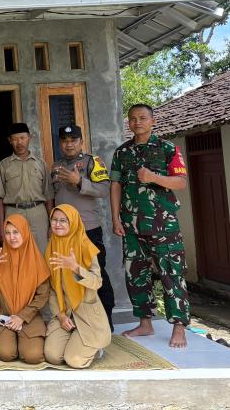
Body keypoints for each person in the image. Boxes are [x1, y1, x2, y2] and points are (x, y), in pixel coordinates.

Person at [110, 103, 190, 348]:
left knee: (171, 273)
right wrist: (115, 218)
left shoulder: (168, 149)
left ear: (153, 121)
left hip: (163, 224)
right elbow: (115, 185)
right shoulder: (122, 152)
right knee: (136, 274)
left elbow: (181, 182)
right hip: (131, 224)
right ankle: (145, 323)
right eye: (133, 118)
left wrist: (154, 177)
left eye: (143, 118)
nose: (137, 122)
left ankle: (179, 326)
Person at [51, 124, 115, 330]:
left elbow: (104, 189)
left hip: (88, 230)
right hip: (63, 233)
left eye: (73, 140)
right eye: (65, 141)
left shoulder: (92, 162)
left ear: (81, 141)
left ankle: (106, 323)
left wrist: (79, 181)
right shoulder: (56, 166)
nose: (69, 144)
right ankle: (78, 322)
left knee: (96, 275)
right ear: (60, 143)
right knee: (69, 276)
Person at [43, 204, 112, 368]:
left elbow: (97, 282)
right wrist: (60, 315)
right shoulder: (51, 247)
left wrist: (76, 268)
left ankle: (95, 348)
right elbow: (51, 289)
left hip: (86, 314)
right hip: (65, 313)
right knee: (52, 356)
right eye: (54, 220)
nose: (57, 224)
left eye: (63, 220)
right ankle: (74, 338)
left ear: (73, 222)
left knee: (74, 360)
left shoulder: (85, 245)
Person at [0, 214, 50, 364]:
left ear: (25, 232)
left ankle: (23, 342)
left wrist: (21, 316)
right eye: (7, 233)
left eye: (16, 232)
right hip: (3, 316)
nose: (11, 237)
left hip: (29, 317)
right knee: (5, 354)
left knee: (33, 356)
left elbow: (43, 296)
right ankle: (13, 341)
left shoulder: (37, 259)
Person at [0, 123, 54, 254]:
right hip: (13, 212)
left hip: (38, 213)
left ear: (29, 138)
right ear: (10, 141)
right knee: (17, 253)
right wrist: (0, 227)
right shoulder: (3, 165)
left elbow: (49, 195)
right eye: (15, 139)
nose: (19, 142)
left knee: (42, 252)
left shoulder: (41, 164)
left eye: (22, 138)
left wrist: (51, 223)